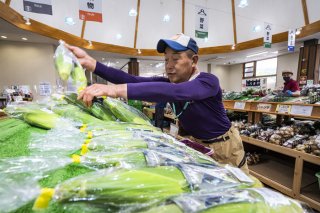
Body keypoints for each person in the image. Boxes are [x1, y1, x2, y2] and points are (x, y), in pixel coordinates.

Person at [67, 33, 249, 174]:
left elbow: (179, 93)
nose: (169, 65)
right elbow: (131, 79)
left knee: (242, 192)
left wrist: (115, 90)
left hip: (225, 146)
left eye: (176, 58)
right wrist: (92, 64)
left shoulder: (208, 81)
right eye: (166, 60)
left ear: (193, 61)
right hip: (198, 144)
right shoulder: (170, 83)